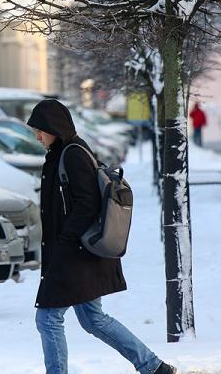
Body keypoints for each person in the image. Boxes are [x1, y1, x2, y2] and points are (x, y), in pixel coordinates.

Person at [27, 99, 176, 374]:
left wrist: (65, 240)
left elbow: (88, 204)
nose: (37, 136)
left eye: (40, 130)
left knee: (48, 318)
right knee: (93, 319)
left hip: (75, 254)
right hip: (75, 253)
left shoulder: (72, 154)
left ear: (54, 127)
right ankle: (154, 367)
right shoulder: (62, 153)